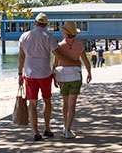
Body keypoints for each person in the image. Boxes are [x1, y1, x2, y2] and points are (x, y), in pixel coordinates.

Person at [18, 13, 79, 141]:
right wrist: (74, 62)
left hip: (29, 75)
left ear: (34, 23)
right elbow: (58, 55)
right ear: (45, 25)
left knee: (32, 103)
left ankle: (35, 132)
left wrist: (19, 74)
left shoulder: (24, 37)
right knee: (46, 100)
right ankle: (46, 128)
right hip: (45, 74)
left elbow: (21, 57)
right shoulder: (48, 37)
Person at [52, 22, 92, 139]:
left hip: (63, 76)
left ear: (66, 33)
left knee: (65, 103)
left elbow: (55, 63)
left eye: (63, 31)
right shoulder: (79, 46)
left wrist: (54, 77)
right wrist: (89, 73)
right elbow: (86, 61)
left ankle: (65, 126)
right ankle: (68, 129)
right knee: (72, 104)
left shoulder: (59, 46)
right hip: (75, 76)